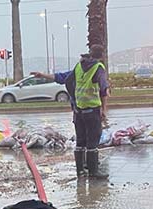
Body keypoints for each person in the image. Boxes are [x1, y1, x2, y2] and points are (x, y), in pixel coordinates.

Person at [33, 44, 109, 178]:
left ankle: (80, 171)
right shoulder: (99, 68)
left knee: (80, 141)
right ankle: (93, 172)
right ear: (102, 56)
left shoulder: (78, 67)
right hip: (92, 110)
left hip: (78, 111)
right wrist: (103, 110)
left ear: (90, 54)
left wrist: (42, 75)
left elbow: (62, 78)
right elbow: (103, 90)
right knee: (93, 140)